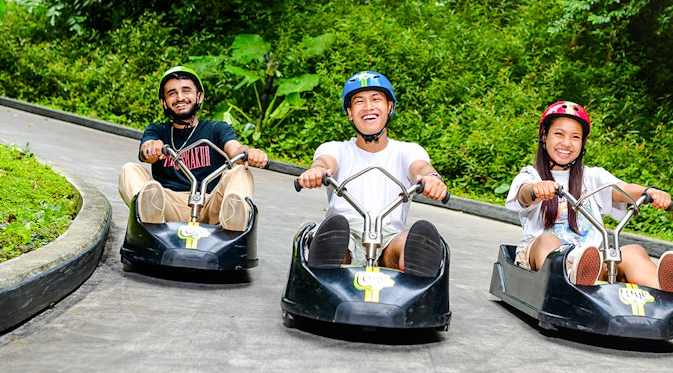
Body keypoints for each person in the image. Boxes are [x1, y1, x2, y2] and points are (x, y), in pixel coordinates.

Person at [505, 100, 673, 291]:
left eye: (575, 137)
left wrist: (648, 192)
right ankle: (569, 278)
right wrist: (536, 189)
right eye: (559, 134)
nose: (566, 143)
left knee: (633, 252)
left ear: (583, 142)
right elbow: (524, 194)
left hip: (590, 261)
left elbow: (620, 189)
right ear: (544, 135)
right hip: (541, 257)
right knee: (547, 241)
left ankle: (665, 291)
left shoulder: (591, 177)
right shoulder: (530, 175)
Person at [296, 71, 448, 277]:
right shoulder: (336, 148)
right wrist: (317, 171)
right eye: (359, 102)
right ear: (350, 112)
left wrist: (432, 179)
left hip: (389, 238)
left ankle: (415, 281)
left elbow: (421, 167)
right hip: (343, 233)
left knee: (412, 239)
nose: (368, 107)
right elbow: (324, 162)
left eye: (376, 99)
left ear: (389, 107)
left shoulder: (407, 151)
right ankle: (326, 271)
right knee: (335, 234)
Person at [118, 66, 269, 231]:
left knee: (241, 171)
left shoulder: (216, 128)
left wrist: (249, 153)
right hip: (167, 204)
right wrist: (152, 148)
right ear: (164, 102)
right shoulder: (158, 130)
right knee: (129, 169)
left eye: (186, 91)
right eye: (172, 93)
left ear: (199, 97)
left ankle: (233, 226)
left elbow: (235, 150)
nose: (180, 97)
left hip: (212, 205)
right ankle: (151, 223)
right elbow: (147, 152)